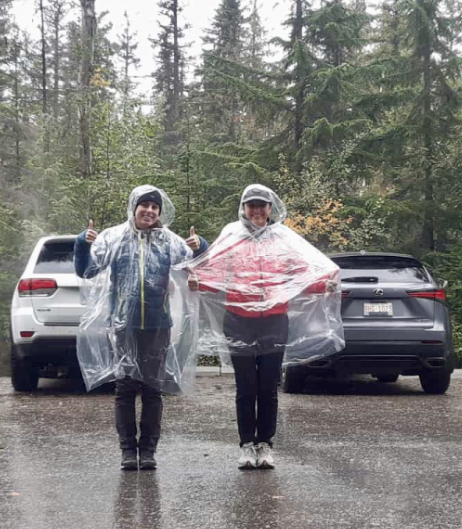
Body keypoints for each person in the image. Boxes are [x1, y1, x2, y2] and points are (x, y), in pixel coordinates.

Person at [186, 184, 343, 470]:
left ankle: (266, 444)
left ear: (271, 209)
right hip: (238, 320)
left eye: (262, 205)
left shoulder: (283, 239)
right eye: (252, 205)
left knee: (269, 387)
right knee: (246, 387)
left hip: (273, 320)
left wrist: (325, 284)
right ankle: (247, 444)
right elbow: (216, 272)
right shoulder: (231, 236)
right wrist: (198, 281)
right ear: (243, 208)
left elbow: (301, 272)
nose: (257, 210)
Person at [74, 185, 207, 471]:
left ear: (160, 212)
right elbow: (87, 270)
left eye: (154, 207)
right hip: (124, 327)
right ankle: (127, 451)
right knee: (125, 389)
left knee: (152, 390)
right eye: (144, 205)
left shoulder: (169, 242)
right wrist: (81, 244)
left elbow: (199, 263)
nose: (149, 211)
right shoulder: (115, 238)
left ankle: (148, 451)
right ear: (133, 208)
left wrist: (201, 245)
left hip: (158, 326)